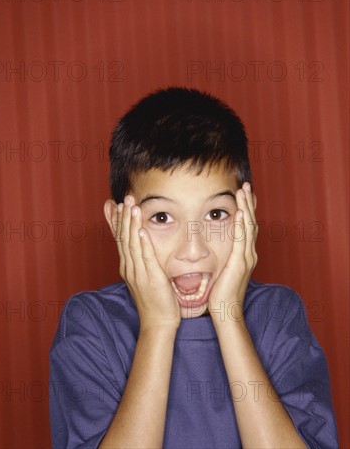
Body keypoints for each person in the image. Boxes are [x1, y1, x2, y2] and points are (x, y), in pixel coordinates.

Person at [49, 86, 338, 448]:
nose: (192, 249)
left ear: (246, 215)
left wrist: (228, 316)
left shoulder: (278, 315)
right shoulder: (91, 323)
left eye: (216, 214)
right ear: (117, 223)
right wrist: (157, 327)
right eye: (162, 216)